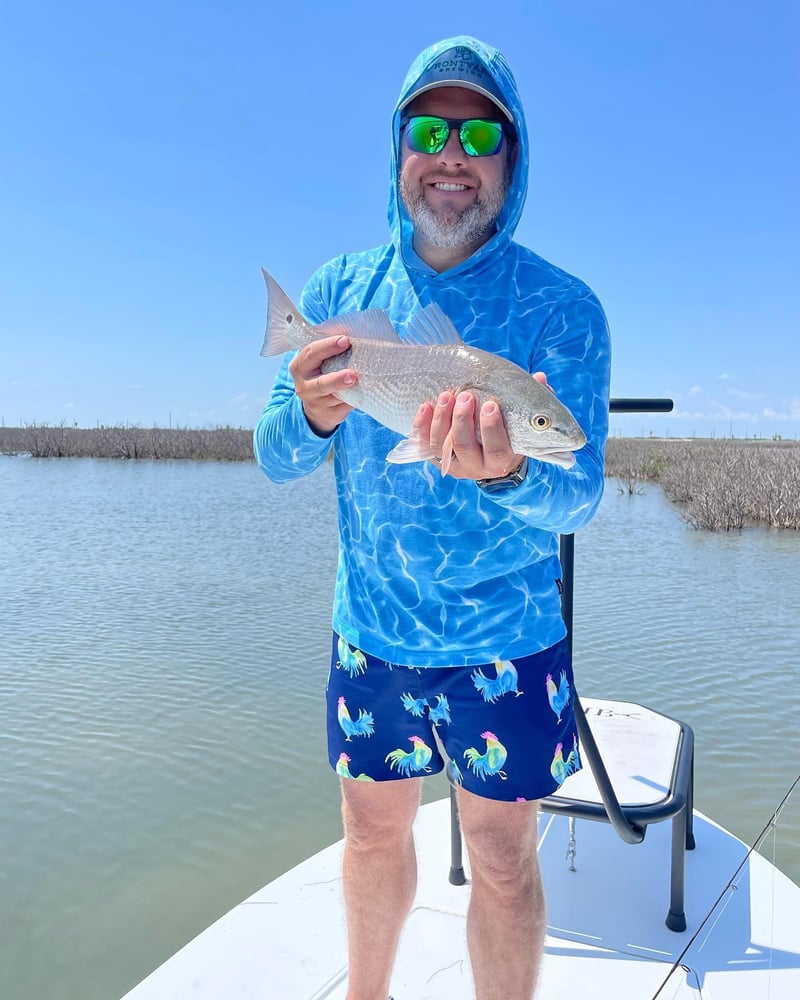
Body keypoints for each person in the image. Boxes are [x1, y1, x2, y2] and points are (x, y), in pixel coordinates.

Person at [254, 35, 611, 1000]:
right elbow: (274, 456)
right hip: (369, 630)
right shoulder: (337, 295)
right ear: (400, 150)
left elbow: (578, 485)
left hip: (509, 638)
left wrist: (503, 477)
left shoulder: (564, 309)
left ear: (512, 155)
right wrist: (312, 410)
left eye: (479, 130)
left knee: (500, 858)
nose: (451, 152)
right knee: (371, 833)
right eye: (428, 127)